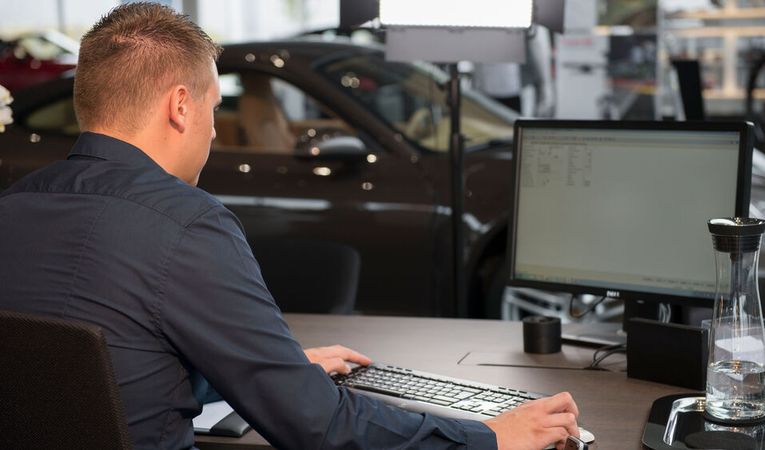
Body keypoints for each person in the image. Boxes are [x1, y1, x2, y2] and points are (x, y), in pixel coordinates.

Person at [0, 3, 580, 449]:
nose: (214, 131)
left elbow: (100, 374)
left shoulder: (14, 207)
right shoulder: (186, 224)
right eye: (211, 108)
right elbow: (317, 426)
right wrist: (489, 437)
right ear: (180, 106)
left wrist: (268, 368)